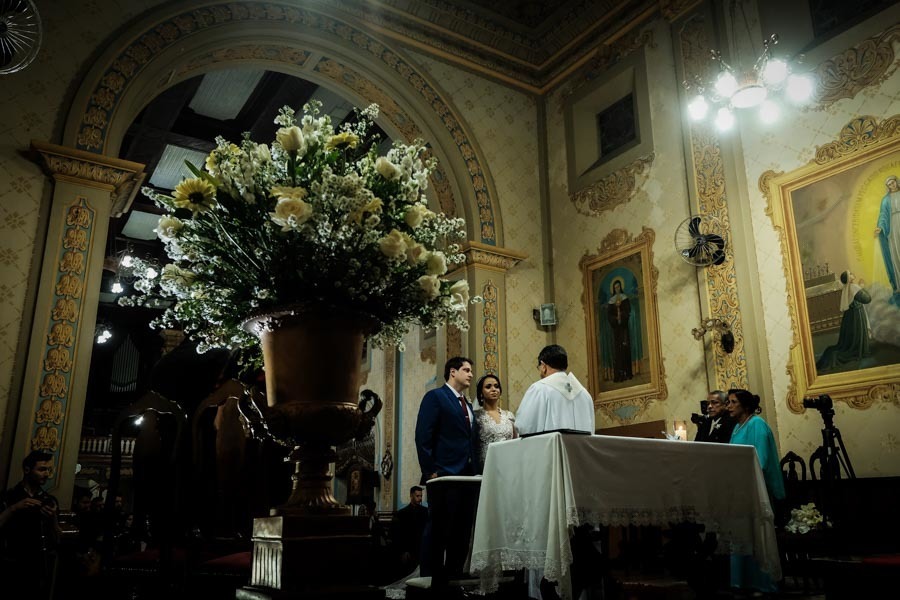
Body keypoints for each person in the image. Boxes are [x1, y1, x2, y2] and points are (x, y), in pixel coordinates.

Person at [414, 356, 479, 590]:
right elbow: (423, 436)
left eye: (471, 371)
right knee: (439, 529)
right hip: (443, 475)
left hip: (467, 477)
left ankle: (454, 579)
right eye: (466, 370)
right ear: (453, 371)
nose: (471, 374)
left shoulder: (467, 404)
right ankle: (430, 581)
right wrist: (430, 471)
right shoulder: (435, 397)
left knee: (462, 530)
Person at [727, 389, 785, 594]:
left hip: (757, 488)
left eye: (733, 402)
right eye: (728, 402)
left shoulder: (757, 424)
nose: (729, 406)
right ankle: (742, 581)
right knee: (742, 535)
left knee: (758, 535)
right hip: (740, 489)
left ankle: (763, 582)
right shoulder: (737, 427)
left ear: (745, 405)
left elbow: (761, 459)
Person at [0, 450, 61, 599]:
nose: (46, 474)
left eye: (48, 470)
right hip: (10, 563)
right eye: (42, 469)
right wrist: (14, 508)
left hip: (36, 566)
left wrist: (53, 518)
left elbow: (57, 538)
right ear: (27, 470)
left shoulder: (49, 500)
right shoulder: (8, 496)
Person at [516, 345, 596, 436]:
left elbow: (524, 427)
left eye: (539, 368)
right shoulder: (584, 394)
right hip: (581, 446)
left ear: (543, 366)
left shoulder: (539, 389)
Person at [815, 271, 872, 372]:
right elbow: (867, 299)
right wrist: (862, 287)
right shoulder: (853, 287)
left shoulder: (847, 288)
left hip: (850, 316)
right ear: (849, 278)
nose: (852, 274)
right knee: (857, 335)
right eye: (850, 274)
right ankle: (859, 351)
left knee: (850, 339)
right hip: (857, 315)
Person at [473, 373, 517, 472]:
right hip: (486, 467)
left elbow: (516, 441)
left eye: (496, 386)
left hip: (508, 465)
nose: (493, 389)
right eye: (488, 387)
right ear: (481, 393)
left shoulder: (509, 416)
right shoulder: (476, 416)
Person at [389, 486, 428, 576]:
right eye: (417, 496)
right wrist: (404, 551)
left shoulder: (425, 512)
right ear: (411, 496)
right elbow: (398, 535)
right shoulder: (402, 513)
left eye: (421, 496)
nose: (420, 498)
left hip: (421, 549)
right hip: (408, 551)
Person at [875, 174, 899, 294]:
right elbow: (883, 215)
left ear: (896, 182)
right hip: (894, 226)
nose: (892, 186)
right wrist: (880, 227)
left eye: (893, 183)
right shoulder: (886, 200)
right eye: (889, 185)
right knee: (896, 254)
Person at [607, 279, 633, 382]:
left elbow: (628, 311)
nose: (617, 289)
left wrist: (621, 315)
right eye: (615, 287)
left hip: (624, 328)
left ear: (620, 287)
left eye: (618, 287)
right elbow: (609, 315)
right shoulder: (611, 301)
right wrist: (615, 319)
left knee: (625, 349)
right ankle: (619, 376)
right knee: (617, 351)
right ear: (613, 289)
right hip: (616, 330)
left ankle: (627, 373)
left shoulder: (624, 298)